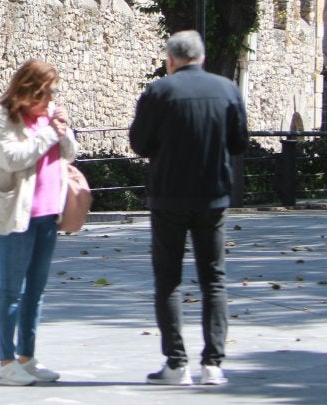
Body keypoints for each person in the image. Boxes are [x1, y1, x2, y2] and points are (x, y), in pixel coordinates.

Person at [129, 30, 246, 387]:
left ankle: (176, 363)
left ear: (171, 60)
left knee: (168, 280)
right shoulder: (228, 89)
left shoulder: (158, 92)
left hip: (169, 196)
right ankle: (213, 363)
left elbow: (139, 143)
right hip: (212, 196)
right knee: (214, 278)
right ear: (202, 57)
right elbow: (239, 142)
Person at [0, 59, 79, 386]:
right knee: (11, 289)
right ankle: (6, 362)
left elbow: (71, 153)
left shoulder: (48, 117)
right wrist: (50, 133)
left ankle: (27, 357)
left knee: (35, 290)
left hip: (50, 212)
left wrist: (62, 132)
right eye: (45, 93)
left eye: (52, 93)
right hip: (16, 213)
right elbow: (13, 157)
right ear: (27, 91)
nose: (50, 100)